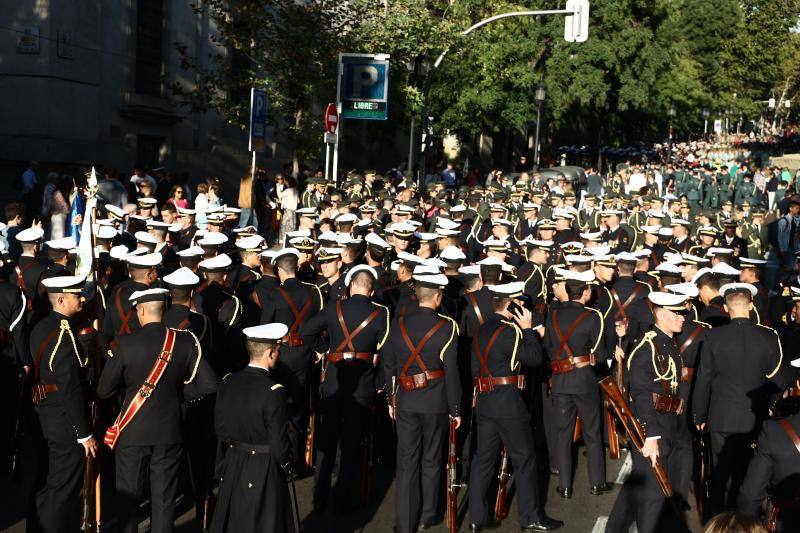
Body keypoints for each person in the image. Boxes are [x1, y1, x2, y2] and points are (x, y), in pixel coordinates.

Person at [97, 287, 218, 533]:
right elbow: (209, 384)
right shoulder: (184, 340)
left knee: (128, 505)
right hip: (170, 431)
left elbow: (104, 390)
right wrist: (179, 397)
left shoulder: (126, 343)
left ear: (140, 310)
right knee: (163, 505)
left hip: (131, 432)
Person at [468, 281, 563, 532]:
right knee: (525, 459)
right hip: (507, 402)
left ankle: (477, 517)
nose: (522, 307)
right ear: (510, 305)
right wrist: (530, 331)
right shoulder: (510, 331)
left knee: (483, 460)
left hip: (485, 400)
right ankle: (531, 516)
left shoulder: (482, 329)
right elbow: (533, 358)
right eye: (518, 303)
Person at [692, 283, 789, 514]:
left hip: (721, 416)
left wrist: (699, 414)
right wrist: (771, 407)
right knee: (750, 475)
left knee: (722, 474)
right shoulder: (768, 336)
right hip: (754, 418)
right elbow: (778, 380)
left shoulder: (713, 336)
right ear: (751, 305)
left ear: (726, 308)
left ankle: (720, 521)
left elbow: (703, 379)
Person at [301, 265, 390, 513]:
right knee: (352, 443)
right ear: (371, 292)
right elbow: (385, 352)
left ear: (350, 287)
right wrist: (379, 382)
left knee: (327, 441)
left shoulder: (334, 307)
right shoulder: (381, 314)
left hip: (333, 382)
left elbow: (306, 331)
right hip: (362, 385)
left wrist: (324, 348)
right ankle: (345, 496)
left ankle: (319, 495)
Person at [381, 271, 461, 533]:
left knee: (406, 462)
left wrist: (392, 399)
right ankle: (428, 513)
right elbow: (451, 373)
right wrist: (455, 408)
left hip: (405, 400)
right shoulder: (448, 327)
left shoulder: (398, 324)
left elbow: (389, 363)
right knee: (431, 459)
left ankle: (405, 521)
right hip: (435, 402)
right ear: (437, 297)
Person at [606, 291, 691, 533]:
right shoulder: (647, 348)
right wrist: (651, 436)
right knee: (653, 495)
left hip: (671, 422)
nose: (683, 317)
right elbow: (642, 394)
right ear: (662, 314)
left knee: (641, 486)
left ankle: (613, 529)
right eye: (678, 313)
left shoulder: (666, 341)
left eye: (684, 312)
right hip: (653, 425)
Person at [211, 322, 296, 533]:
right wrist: (286, 465)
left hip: (233, 461)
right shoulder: (274, 391)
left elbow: (220, 429)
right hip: (263, 467)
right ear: (270, 353)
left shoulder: (228, 381)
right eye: (277, 349)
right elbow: (278, 441)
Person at [29, 275, 97, 532]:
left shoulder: (43, 326)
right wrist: (85, 434)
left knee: (47, 481)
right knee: (62, 487)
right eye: (76, 295)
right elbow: (71, 389)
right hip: (62, 418)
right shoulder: (63, 336)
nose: (82, 299)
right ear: (60, 299)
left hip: (45, 410)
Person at [278, 176, 299, 244]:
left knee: (284, 226)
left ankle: (284, 240)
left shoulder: (288, 190)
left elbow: (280, 195)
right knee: (292, 226)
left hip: (288, 210)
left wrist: (277, 187)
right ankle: (291, 241)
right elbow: (298, 201)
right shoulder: (296, 190)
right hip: (294, 211)